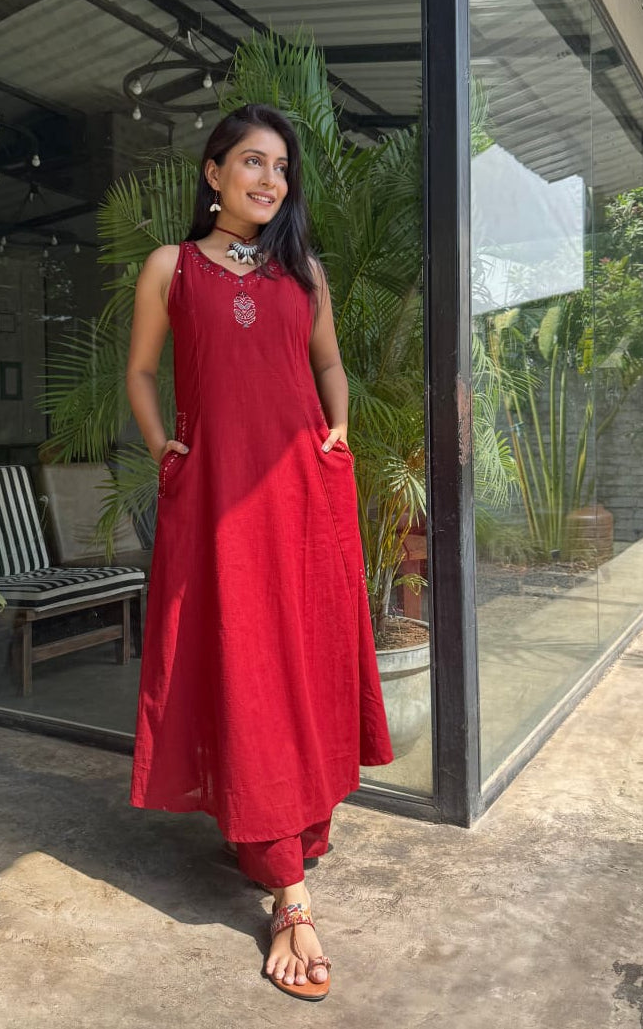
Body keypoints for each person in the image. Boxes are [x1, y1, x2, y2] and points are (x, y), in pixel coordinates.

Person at [126, 103, 394, 1002]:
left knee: (301, 664)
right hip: (215, 503)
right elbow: (139, 370)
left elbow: (327, 366)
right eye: (251, 161)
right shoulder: (170, 268)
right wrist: (163, 441)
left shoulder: (303, 272)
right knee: (245, 667)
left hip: (302, 499)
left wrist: (340, 429)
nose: (269, 180)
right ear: (212, 174)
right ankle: (290, 895)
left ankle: (281, 835)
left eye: (280, 167)